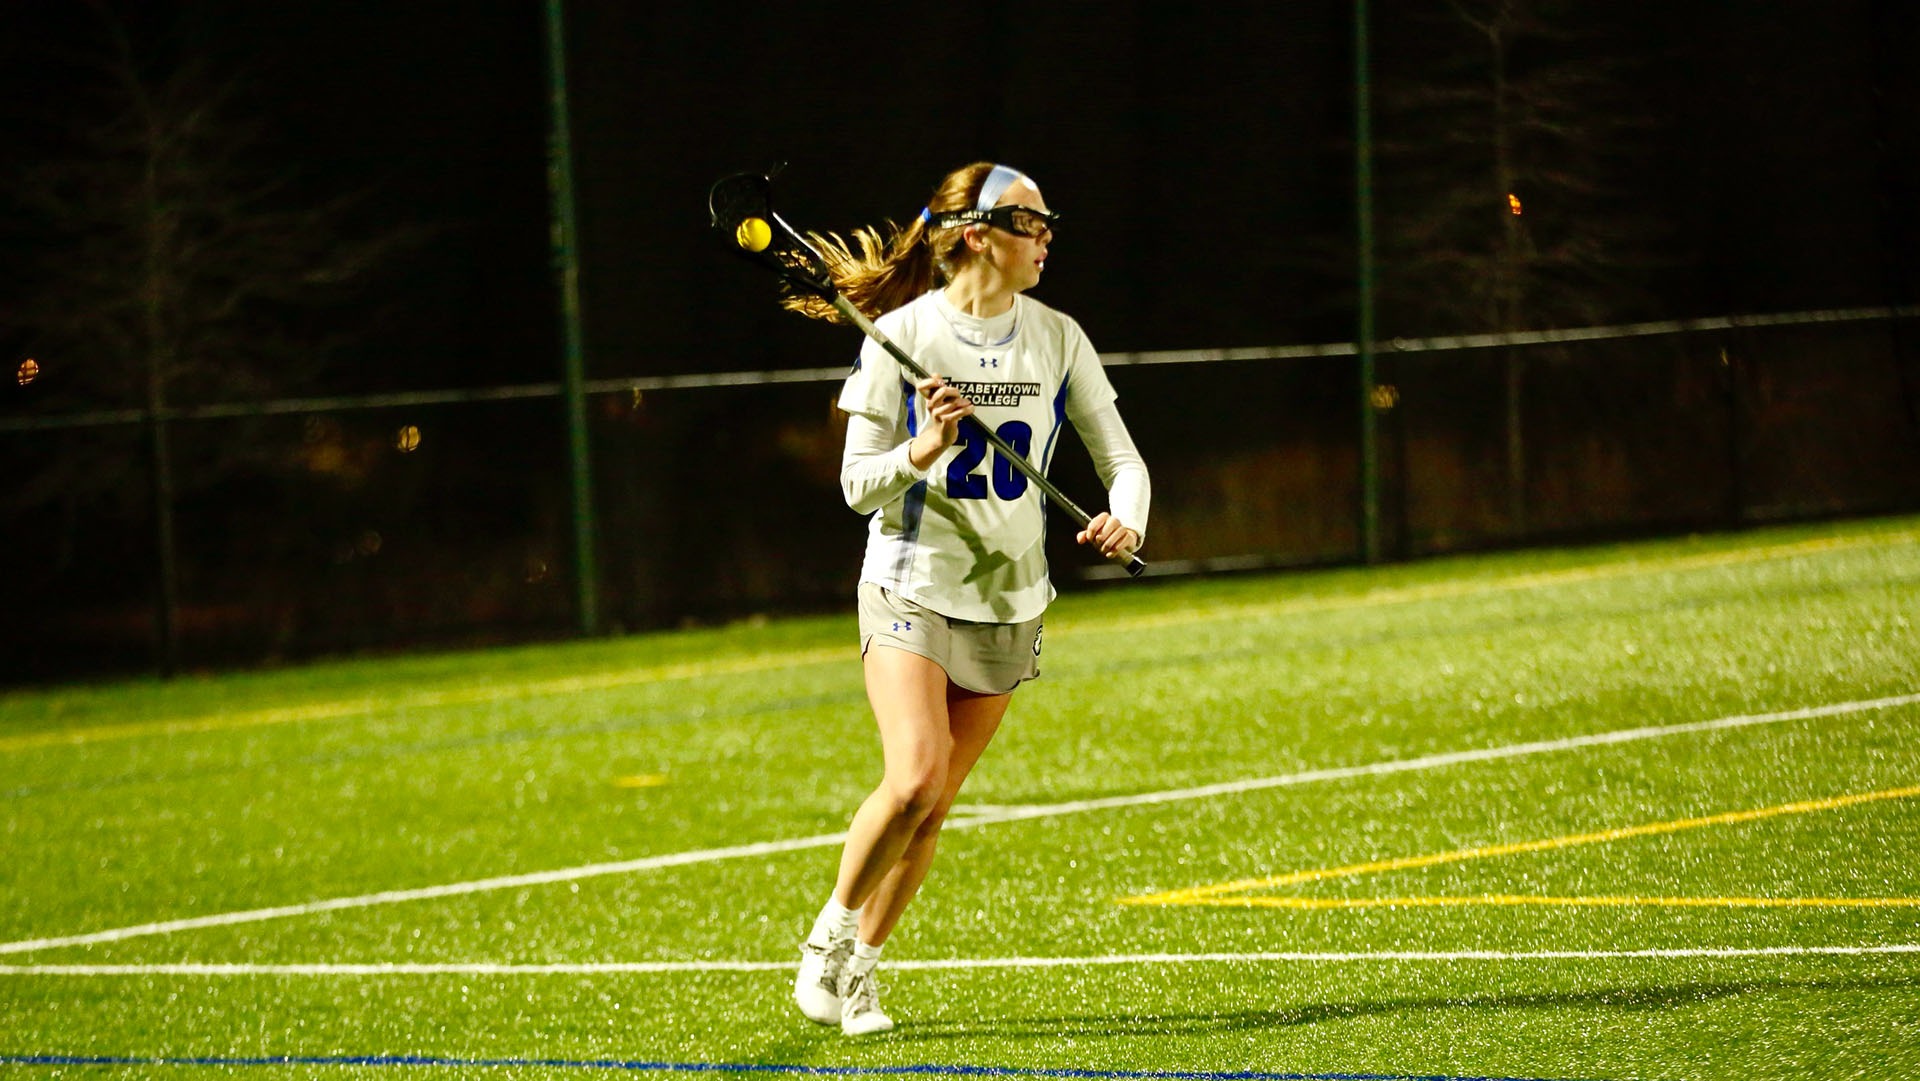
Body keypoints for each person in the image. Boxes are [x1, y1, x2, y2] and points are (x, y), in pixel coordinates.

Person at [781, 162, 1150, 1036]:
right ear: (978, 235)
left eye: (1048, 223)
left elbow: (1122, 461)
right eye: (1032, 223)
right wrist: (925, 446)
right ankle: (829, 938)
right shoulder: (901, 336)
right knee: (913, 774)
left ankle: (863, 970)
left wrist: (1126, 519)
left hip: (1011, 597)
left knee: (934, 805)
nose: (1047, 237)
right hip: (910, 583)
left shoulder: (1059, 337)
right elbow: (856, 487)